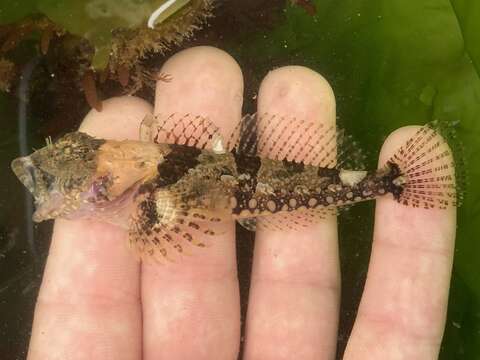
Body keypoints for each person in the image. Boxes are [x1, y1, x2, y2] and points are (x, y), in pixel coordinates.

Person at [26, 46, 456, 360]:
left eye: (67, 182)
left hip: (266, 183)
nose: (58, 188)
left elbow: (172, 223)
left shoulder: (144, 183)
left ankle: (392, 182)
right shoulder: (142, 172)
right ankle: (389, 181)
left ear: (104, 184)